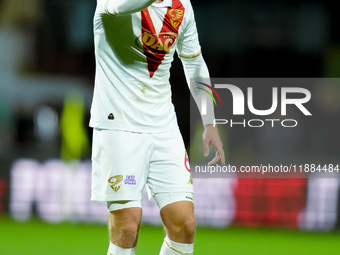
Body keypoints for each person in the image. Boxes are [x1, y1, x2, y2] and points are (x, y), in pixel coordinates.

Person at [89, 0, 225, 254]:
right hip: (118, 126)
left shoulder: (181, 6)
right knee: (127, 226)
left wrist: (209, 121)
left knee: (185, 225)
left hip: (164, 127)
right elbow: (122, 8)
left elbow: (194, 63)